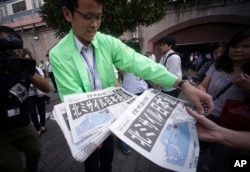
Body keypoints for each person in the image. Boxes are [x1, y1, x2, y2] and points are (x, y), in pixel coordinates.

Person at [49, 0, 213, 172]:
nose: (95, 24)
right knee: (91, 163)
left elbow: (139, 63)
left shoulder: (107, 43)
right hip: (89, 126)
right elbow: (73, 97)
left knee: (107, 161)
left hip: (112, 121)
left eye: (99, 17)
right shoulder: (58, 54)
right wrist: (93, 131)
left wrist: (182, 84)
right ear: (68, 14)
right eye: (88, 16)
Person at [196, 29, 250, 172]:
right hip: (209, 113)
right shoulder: (216, 66)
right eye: (234, 46)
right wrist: (201, 89)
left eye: (245, 47)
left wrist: (247, 88)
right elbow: (203, 84)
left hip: (233, 124)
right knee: (202, 145)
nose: (238, 50)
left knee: (224, 157)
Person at [0, 26, 50, 172]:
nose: (7, 56)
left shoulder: (23, 66)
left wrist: (24, 70)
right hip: (1, 131)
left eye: (12, 50)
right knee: (12, 166)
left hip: (22, 124)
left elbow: (46, 87)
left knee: (35, 149)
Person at [118, 70, 149, 154]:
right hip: (128, 92)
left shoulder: (143, 58)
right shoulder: (122, 59)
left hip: (142, 90)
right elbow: (120, 69)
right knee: (124, 118)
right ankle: (123, 141)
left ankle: (131, 137)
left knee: (135, 118)